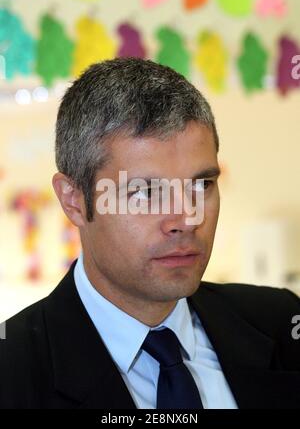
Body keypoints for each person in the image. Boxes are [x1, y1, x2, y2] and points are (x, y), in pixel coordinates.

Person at [0, 58, 299, 409]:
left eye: (202, 184)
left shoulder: (282, 322)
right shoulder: (12, 372)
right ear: (74, 200)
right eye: (145, 191)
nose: (187, 218)